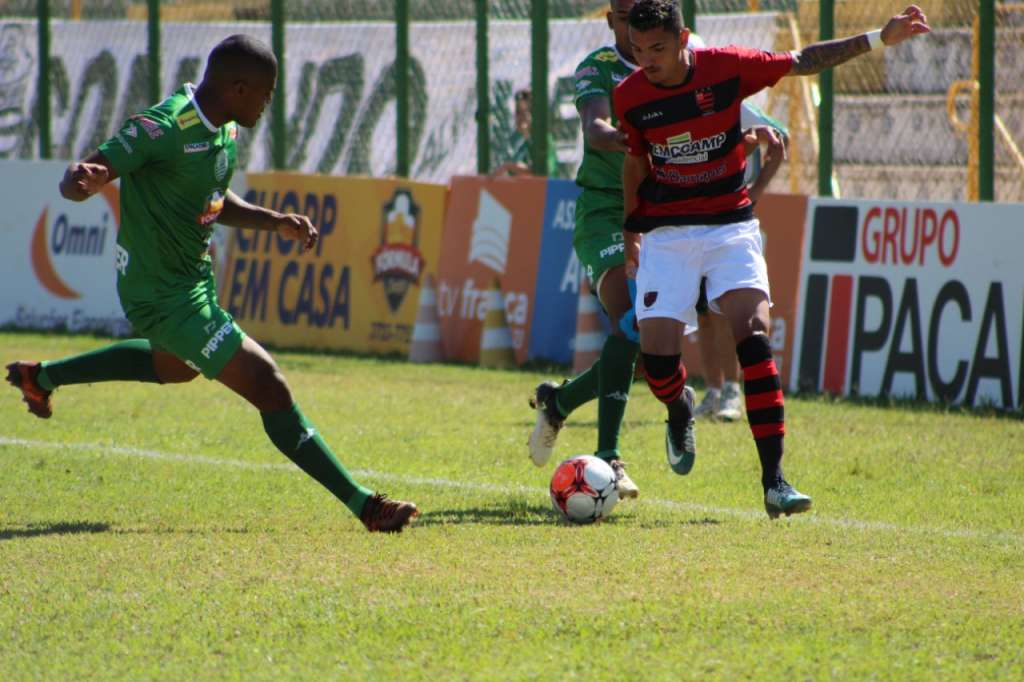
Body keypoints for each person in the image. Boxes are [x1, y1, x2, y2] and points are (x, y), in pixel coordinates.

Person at [5, 35, 418, 533]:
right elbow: (82, 175)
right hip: (157, 291)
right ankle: (365, 505)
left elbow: (213, 198)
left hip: (192, 283)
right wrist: (82, 181)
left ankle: (40, 377)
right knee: (269, 385)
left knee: (175, 368)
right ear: (239, 88)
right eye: (265, 94)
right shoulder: (163, 127)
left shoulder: (222, 127)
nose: (268, 104)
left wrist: (276, 221)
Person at [615, 0, 929, 517]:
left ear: (683, 39)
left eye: (657, 48)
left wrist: (879, 37)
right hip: (668, 235)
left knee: (754, 337)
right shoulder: (629, 96)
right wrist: (632, 236)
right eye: (637, 48)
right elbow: (635, 164)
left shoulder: (727, 66)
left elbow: (802, 59)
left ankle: (774, 482)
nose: (646, 59)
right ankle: (680, 409)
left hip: (730, 228)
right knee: (659, 364)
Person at [527, 0, 786, 497]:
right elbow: (595, 128)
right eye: (623, 17)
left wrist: (735, 141)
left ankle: (560, 404)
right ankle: (609, 458)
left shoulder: (695, 63)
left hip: (674, 213)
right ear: (611, 21)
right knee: (628, 319)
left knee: (648, 345)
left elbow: (731, 108)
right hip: (608, 210)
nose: (633, 29)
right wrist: (648, 135)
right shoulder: (600, 70)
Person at [694, 110, 788, 423]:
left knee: (722, 314)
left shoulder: (735, 109)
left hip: (729, 230)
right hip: (693, 228)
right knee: (704, 317)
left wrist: (759, 184)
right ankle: (713, 390)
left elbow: (776, 136)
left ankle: (733, 390)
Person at [490, 87, 559, 177]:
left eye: (527, 111)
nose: (521, 117)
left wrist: (508, 167)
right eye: (518, 112)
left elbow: (542, 173)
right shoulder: (519, 143)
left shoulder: (543, 140)